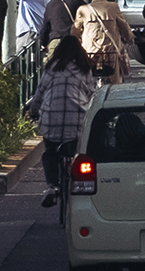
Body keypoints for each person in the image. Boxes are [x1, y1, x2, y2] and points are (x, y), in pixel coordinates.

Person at [34, 36, 101, 208]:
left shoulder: (52, 68)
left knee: (50, 153)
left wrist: (33, 111)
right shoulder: (84, 69)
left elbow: (40, 93)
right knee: (78, 152)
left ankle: (52, 186)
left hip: (51, 120)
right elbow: (91, 93)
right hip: (77, 119)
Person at [75, 0, 135, 81]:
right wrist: (130, 39)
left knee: (87, 82)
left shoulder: (83, 10)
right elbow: (124, 27)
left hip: (90, 54)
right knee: (114, 85)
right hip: (110, 53)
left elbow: (75, 33)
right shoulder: (113, 7)